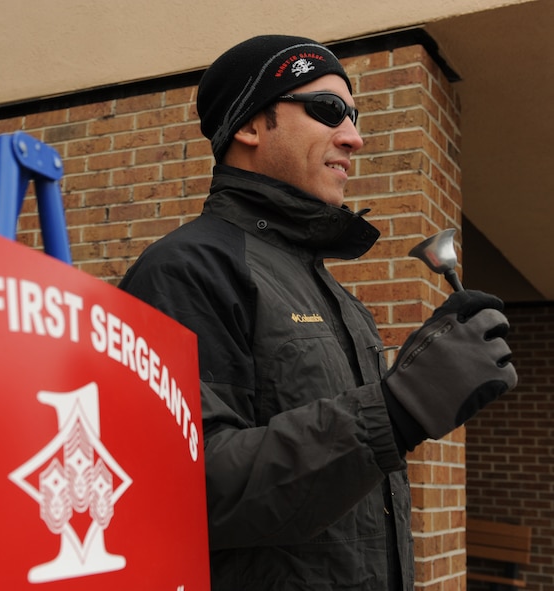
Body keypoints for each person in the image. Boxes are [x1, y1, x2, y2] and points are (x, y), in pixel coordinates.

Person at [118, 35, 517, 590]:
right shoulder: (187, 268)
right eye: (328, 110)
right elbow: (186, 488)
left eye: (353, 116)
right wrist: (398, 407)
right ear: (250, 126)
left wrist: (420, 368)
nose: (354, 137)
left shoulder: (328, 289)